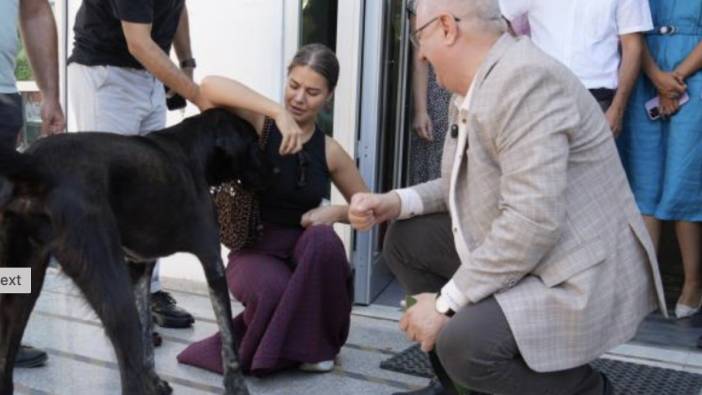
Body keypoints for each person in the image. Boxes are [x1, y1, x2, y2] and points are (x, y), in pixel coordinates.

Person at [349, 1, 666, 394]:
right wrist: (395, 202)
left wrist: (445, 304)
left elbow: (530, 223)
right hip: (535, 251)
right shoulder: (474, 83)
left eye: (420, 37)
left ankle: (586, 389)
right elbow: (457, 183)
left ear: (447, 28)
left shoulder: (526, 81)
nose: (422, 54)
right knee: (406, 240)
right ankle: (456, 384)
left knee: (465, 343)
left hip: (573, 272)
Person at [177, 43, 368, 375]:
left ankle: (312, 349)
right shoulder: (260, 123)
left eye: (312, 92)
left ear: (329, 96)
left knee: (325, 241)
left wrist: (334, 213)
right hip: (254, 252)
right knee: (274, 290)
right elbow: (208, 87)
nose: (298, 98)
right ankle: (289, 350)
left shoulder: (330, 151)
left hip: (303, 252)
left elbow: (368, 208)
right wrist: (276, 112)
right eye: (294, 86)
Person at [66, 0, 206, 336]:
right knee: (113, 196)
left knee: (153, 192)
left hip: (148, 75)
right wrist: (200, 96)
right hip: (106, 75)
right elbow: (139, 42)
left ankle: (148, 293)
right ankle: (118, 304)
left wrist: (186, 64)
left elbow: (177, 7)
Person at [617, 1, 702, 319]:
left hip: (693, 73)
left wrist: (675, 79)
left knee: (685, 176)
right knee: (645, 178)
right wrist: (656, 77)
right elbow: (629, 30)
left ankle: (692, 284)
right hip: (643, 71)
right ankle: (645, 286)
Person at [1, 0, 65, 368]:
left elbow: (35, 10)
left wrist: (50, 94)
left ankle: (7, 333)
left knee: (12, 235)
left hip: (2, 99)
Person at [499, 0, 652, 136]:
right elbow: (497, 15)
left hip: (596, 100)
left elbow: (632, 47)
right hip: (543, 94)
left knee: (594, 166)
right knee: (543, 165)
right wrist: (518, 52)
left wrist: (617, 109)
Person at [408, 6, 452, 185]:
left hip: (468, 85)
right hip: (437, 92)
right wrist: (421, 110)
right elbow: (420, 56)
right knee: (435, 158)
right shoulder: (420, 4)